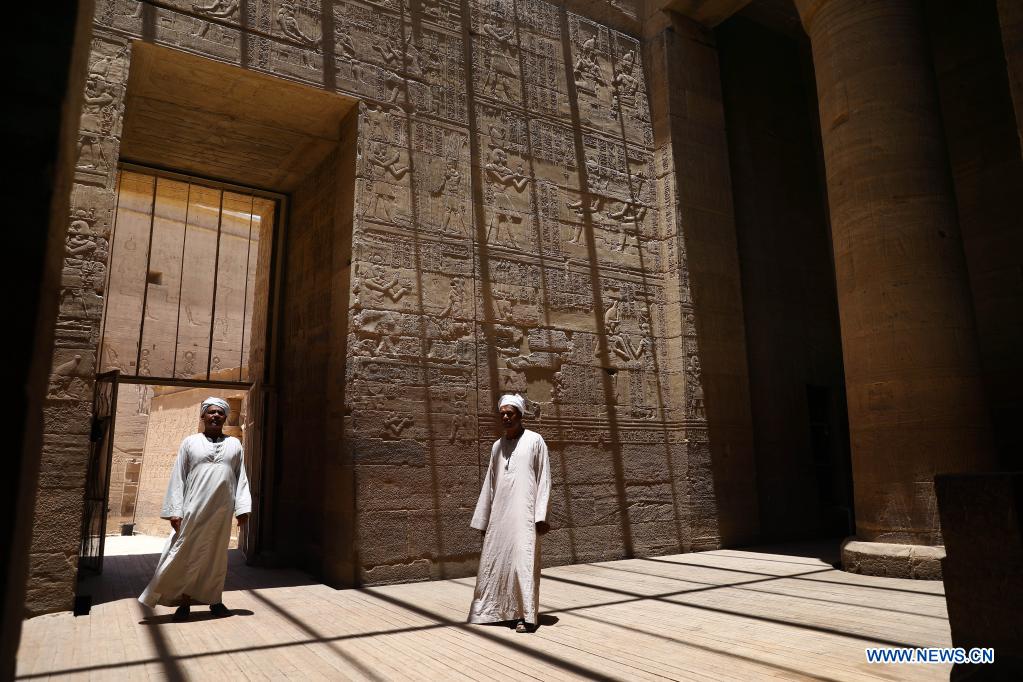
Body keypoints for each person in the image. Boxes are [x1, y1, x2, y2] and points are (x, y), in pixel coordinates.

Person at [139, 397, 251, 621]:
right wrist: (175, 510)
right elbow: (178, 477)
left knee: (216, 558)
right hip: (193, 510)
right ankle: (184, 602)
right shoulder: (190, 443)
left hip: (221, 512)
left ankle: (215, 601)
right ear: (203, 416)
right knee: (186, 556)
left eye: (220, 413)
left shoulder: (234, 445)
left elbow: (241, 479)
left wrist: (242, 509)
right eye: (211, 412)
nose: (216, 416)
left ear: (225, 417)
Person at [468, 394, 551, 633]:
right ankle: (499, 611)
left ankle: (527, 617)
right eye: (502, 413)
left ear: (520, 415)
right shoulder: (497, 446)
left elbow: (544, 479)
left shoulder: (536, 441)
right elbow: (489, 484)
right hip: (500, 517)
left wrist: (541, 515)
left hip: (525, 517)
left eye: (510, 413)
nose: (505, 417)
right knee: (499, 563)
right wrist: (484, 520)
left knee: (523, 563)